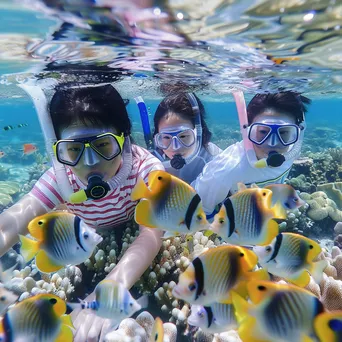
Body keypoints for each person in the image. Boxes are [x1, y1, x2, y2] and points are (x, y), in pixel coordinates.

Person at [0, 84, 164, 342]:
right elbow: (14, 220)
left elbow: (152, 235)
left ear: (124, 140)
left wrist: (110, 290)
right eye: (74, 149)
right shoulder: (62, 176)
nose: (90, 163)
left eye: (103, 145)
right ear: (59, 149)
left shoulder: (146, 170)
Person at [192, 91, 311, 217]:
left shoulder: (291, 151)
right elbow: (197, 213)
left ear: (298, 133)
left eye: (283, 133)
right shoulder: (227, 170)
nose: (272, 143)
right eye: (263, 132)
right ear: (247, 131)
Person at [151, 92, 222, 184]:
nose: (175, 147)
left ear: (199, 132)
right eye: (166, 137)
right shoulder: (150, 162)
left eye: (183, 136)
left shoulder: (214, 158)